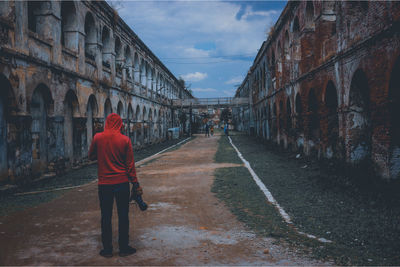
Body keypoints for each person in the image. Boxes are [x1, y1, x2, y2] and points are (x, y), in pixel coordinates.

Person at [89, 113, 140, 258]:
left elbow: (91, 156)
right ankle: (123, 247)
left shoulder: (97, 138)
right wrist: (135, 184)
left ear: (107, 123)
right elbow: (130, 166)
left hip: (104, 184)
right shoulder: (125, 140)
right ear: (119, 124)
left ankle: (107, 249)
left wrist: (103, 154)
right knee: (123, 216)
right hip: (122, 183)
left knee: (106, 216)